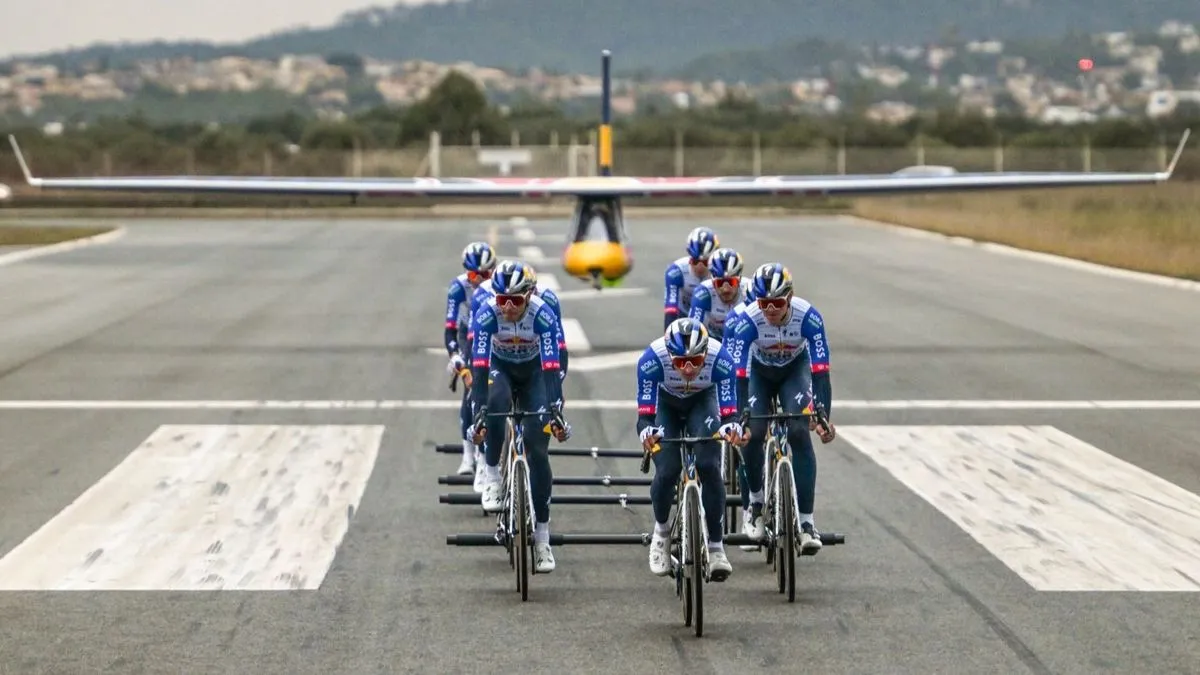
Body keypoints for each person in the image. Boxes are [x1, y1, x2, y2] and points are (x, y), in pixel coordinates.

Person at [726, 263, 836, 556]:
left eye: (776, 303)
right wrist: (741, 419)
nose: (771, 309)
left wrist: (823, 414)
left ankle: (806, 523)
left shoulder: (809, 316)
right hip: (757, 375)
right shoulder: (747, 321)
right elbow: (739, 376)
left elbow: (821, 371)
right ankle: (756, 504)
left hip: (793, 372)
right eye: (764, 303)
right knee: (755, 431)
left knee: (800, 431)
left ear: (789, 297)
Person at [469, 260, 571, 574]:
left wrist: (556, 408)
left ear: (529, 295)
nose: (508, 307)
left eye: (515, 300)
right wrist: (480, 413)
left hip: (536, 372)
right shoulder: (487, 312)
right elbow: (481, 363)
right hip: (500, 369)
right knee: (496, 404)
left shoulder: (543, 311)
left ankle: (542, 538)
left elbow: (554, 365)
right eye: (503, 300)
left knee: (538, 449)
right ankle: (493, 477)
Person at [636, 317, 747, 581]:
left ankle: (717, 547)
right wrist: (647, 432)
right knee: (668, 469)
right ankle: (661, 534)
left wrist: (732, 428)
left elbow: (731, 414)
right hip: (666, 404)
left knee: (709, 466)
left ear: (705, 354)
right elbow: (645, 417)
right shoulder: (651, 360)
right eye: (680, 362)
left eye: (696, 362)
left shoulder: (722, 359)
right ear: (669, 355)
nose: (687, 369)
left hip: (702, 401)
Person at [443, 242, 497, 477]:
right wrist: (456, 356)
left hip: (494, 332)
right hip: (469, 334)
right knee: (472, 388)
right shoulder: (458, 287)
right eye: (475, 274)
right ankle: (468, 455)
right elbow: (450, 329)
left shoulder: (499, 286)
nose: (480, 279)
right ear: (467, 272)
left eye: (486, 274)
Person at [663, 227, 719, 330]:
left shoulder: (720, 276)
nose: (700, 267)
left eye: (706, 262)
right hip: (683, 316)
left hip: (711, 320)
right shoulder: (676, 271)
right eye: (695, 261)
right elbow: (671, 308)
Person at [688, 247, 750, 340]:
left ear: (739, 279)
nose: (725, 289)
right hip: (714, 342)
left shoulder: (750, 291)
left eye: (731, 282)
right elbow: (694, 331)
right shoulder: (703, 292)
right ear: (712, 281)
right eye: (720, 283)